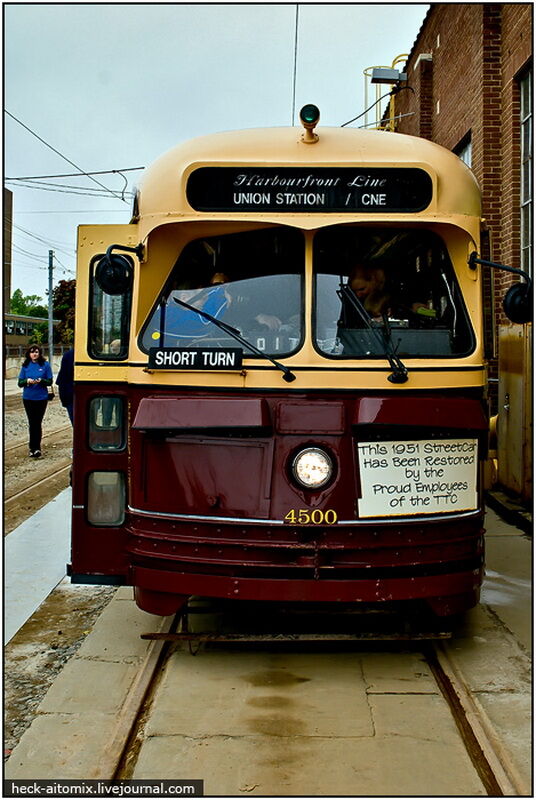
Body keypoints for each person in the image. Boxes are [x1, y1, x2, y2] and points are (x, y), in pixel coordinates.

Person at [18, 345, 53, 457]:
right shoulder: (25, 366)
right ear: (29, 354)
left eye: (36, 352)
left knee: (37, 422)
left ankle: (36, 448)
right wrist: (27, 381)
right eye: (32, 352)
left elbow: (49, 381)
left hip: (41, 398)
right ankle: (32, 448)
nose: (34, 354)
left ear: (40, 353)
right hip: (28, 398)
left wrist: (41, 380)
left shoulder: (45, 365)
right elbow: (20, 383)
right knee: (32, 422)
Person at [56, 347, 74, 424]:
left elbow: (62, 378)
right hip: (71, 395)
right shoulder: (68, 355)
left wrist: (63, 399)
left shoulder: (68, 355)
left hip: (70, 395)